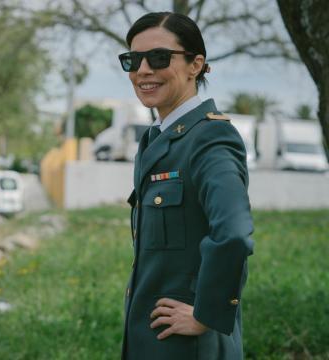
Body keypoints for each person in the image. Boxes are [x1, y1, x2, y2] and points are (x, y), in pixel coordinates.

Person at [120, 12, 254, 359]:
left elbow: (234, 233)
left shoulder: (210, 138)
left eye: (159, 58)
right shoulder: (157, 138)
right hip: (153, 340)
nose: (143, 70)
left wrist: (205, 313)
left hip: (192, 346)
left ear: (196, 65)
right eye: (133, 60)